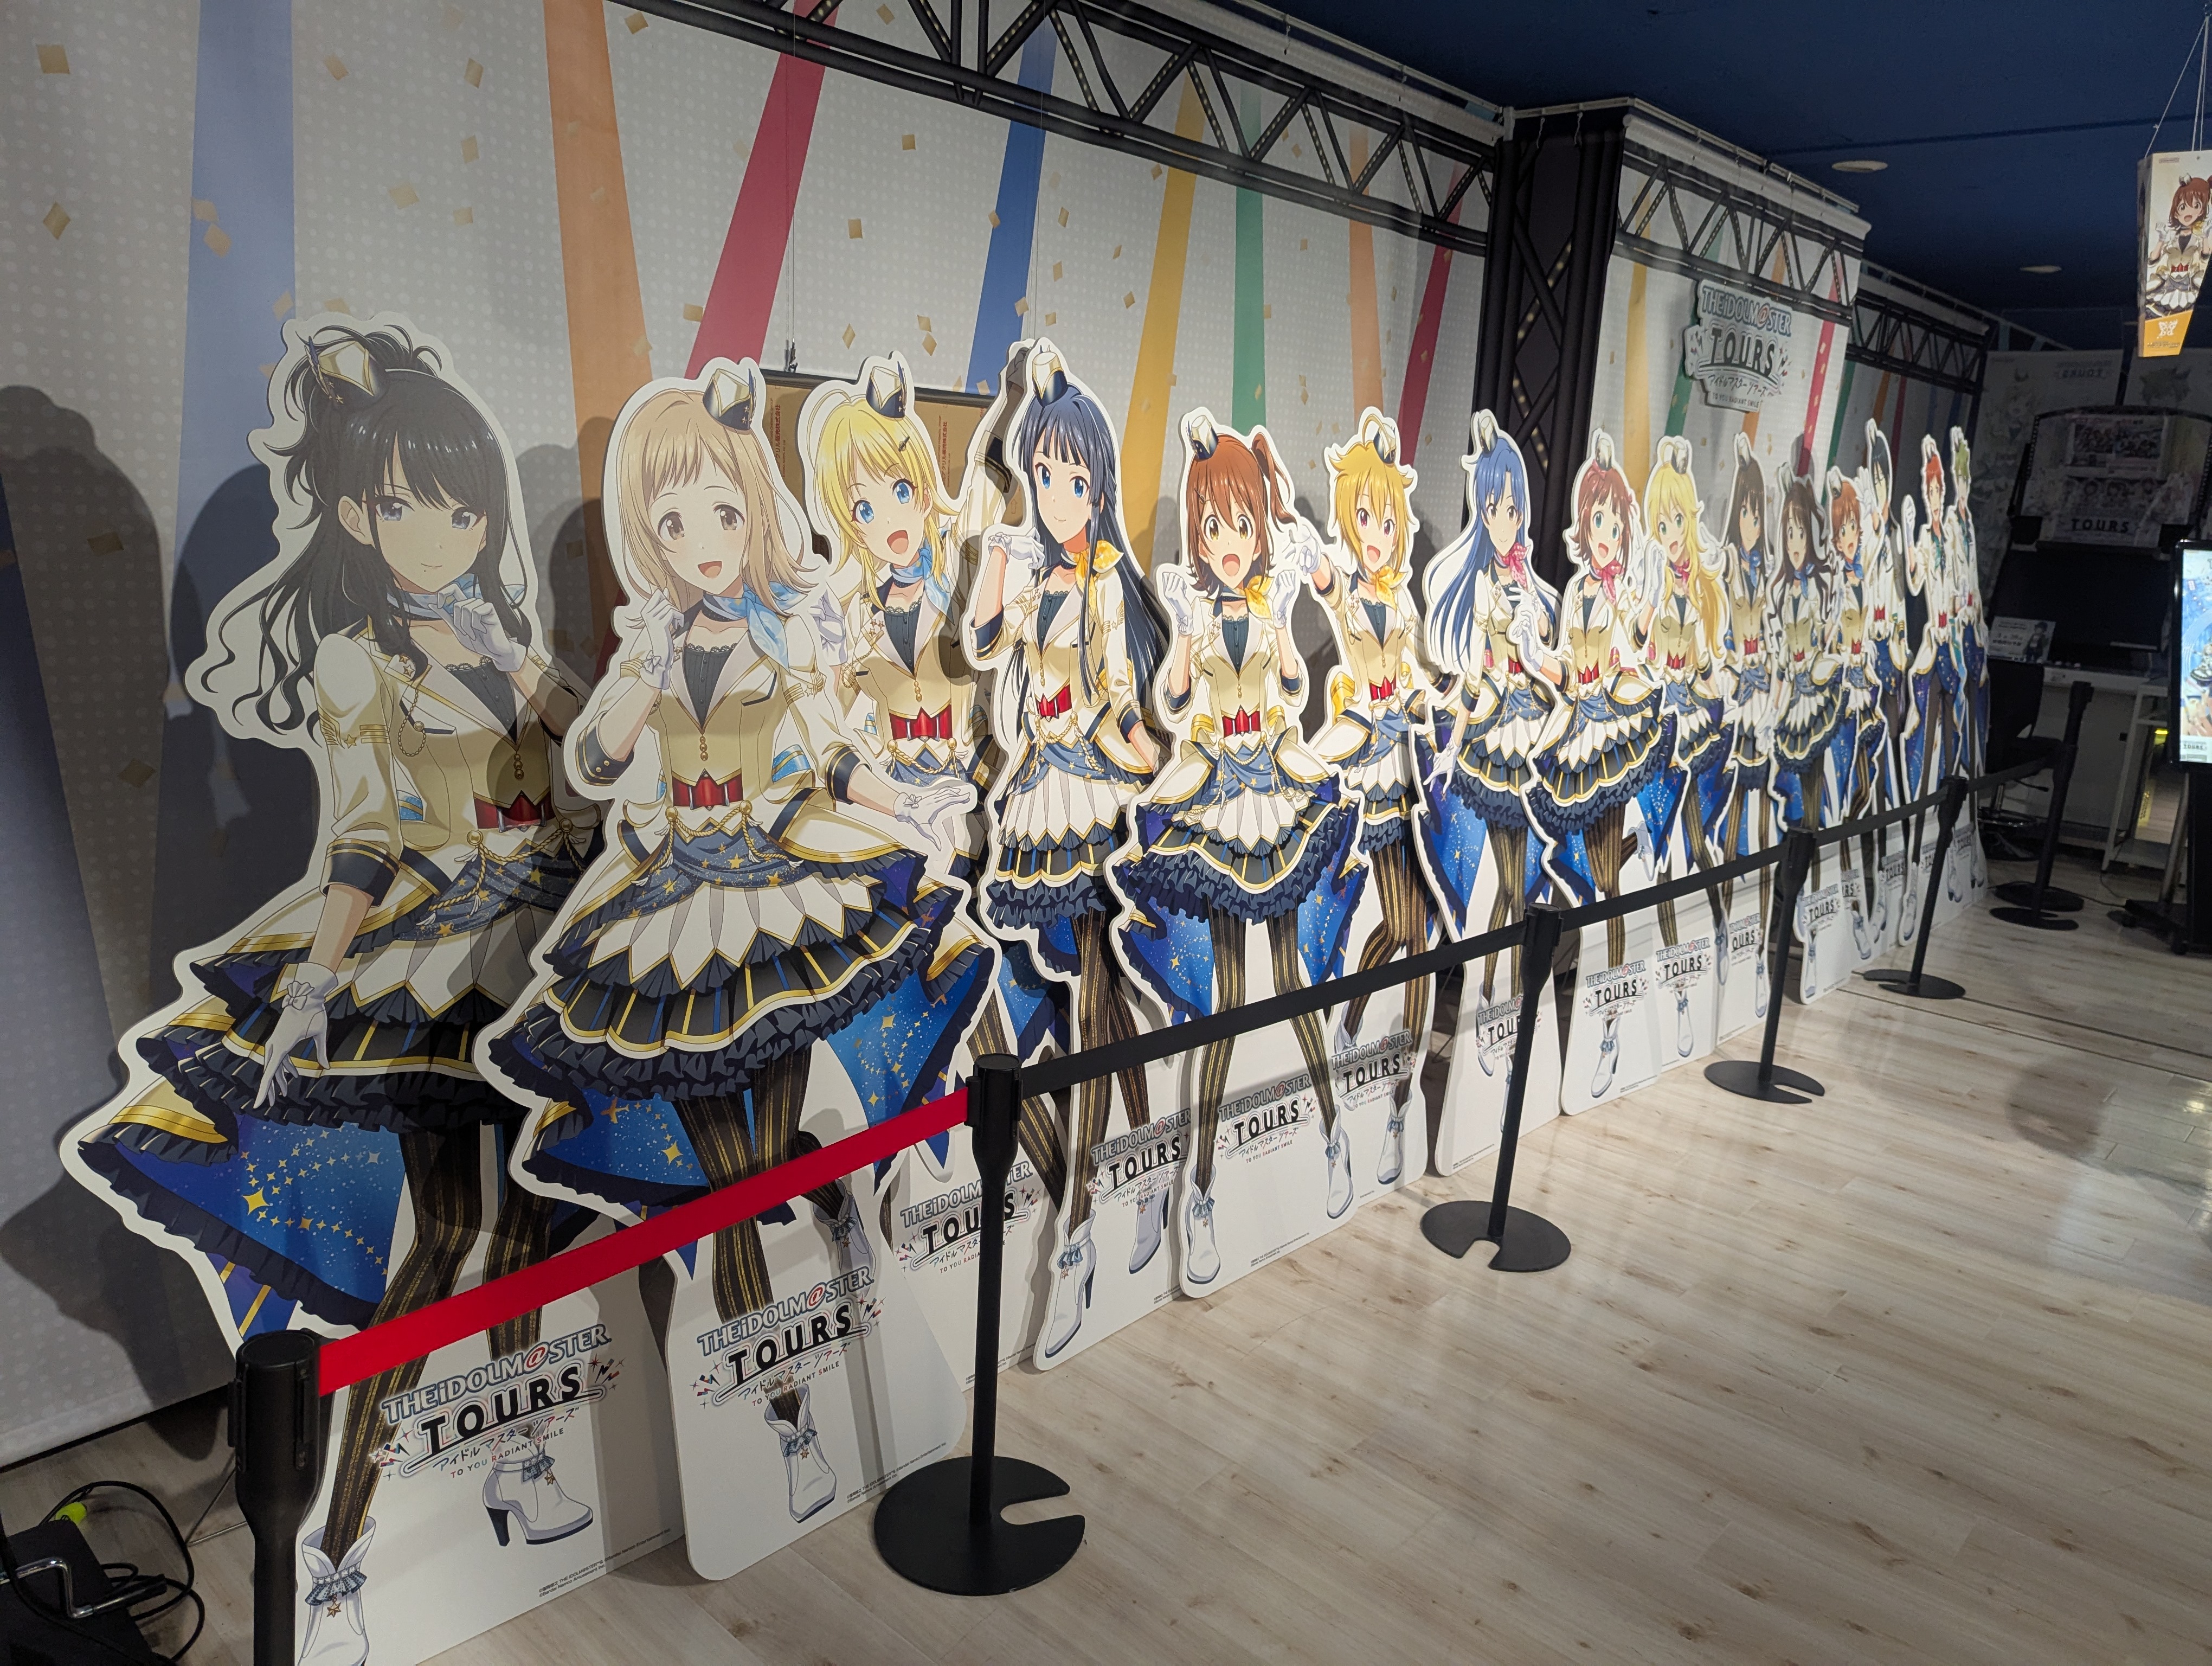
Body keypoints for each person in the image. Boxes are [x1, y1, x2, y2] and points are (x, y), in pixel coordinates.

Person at [71, 322, 595, 1661]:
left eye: (464, 508)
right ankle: (342, 1548)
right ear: (359, 513)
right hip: (439, 962)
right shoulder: (362, 658)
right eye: (414, 506)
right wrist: (312, 982)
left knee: (533, 1225)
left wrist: (512, 656)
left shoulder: (507, 636)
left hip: (541, 943)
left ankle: (516, 1458)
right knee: (444, 1235)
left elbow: (596, 760)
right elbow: (362, 837)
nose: (448, 533)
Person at [487, 361, 988, 1517]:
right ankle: (793, 1424)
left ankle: (838, 1256)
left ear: (753, 509)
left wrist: (910, 806)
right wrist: (645, 665)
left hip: (776, 903)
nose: (703, 541)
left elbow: (834, 758)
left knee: (763, 1170)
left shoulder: (786, 636)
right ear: (648, 537)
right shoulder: (653, 647)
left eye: (720, 511)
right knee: (729, 1190)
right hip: (672, 921)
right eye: (673, 522)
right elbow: (596, 760)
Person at [799, 349, 1069, 1208]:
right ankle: (925, 1172)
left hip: (980, 814)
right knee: (920, 1015)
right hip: (901, 831)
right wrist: (895, 800)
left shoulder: (960, 559)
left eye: (900, 491)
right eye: (863, 507)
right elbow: (821, 737)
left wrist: (1020, 392)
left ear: (922, 484)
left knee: (1003, 1016)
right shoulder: (842, 608)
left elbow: (995, 475)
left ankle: (1052, 1191)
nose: (890, 519)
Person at [1113, 412, 1360, 1278]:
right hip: (1219, 792)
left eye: (1240, 524)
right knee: (1223, 1002)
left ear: (1259, 529)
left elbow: (1293, 683)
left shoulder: (1268, 598)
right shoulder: (1192, 606)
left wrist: (1282, 616)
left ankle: (1332, 1133)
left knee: (1291, 983)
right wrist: (1186, 637)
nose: (1226, 542)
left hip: (1274, 786)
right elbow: (1177, 704)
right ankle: (1202, 1193)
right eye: (1212, 525)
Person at [968, 340, 1171, 1361]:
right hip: (1034, 796)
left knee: (1098, 1002)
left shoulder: (1106, 583)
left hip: (1095, 791)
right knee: (1095, 1005)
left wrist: (1158, 764)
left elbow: (1124, 702)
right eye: (1043, 474)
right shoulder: (1028, 564)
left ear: (1098, 485)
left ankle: (1083, 1224)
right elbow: (980, 643)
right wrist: (999, 566)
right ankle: (1143, 1171)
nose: (1055, 494)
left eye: (1073, 478)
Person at [1526, 429, 1668, 1097]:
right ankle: (1594, 1006)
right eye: (1596, 521)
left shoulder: (1622, 591)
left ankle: (1608, 1023)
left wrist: (1650, 601)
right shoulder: (1579, 590)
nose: (1605, 533)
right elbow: (1567, 665)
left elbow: (1638, 637)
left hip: (1612, 729)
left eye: (1613, 522)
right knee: (1589, 873)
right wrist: (1536, 657)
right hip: (1577, 731)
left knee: (1605, 882)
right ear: (1583, 526)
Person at [1308, 411, 1443, 1079]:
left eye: (1388, 523)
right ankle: (1357, 1032)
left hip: (1408, 765)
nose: (1378, 536)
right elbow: (1325, 583)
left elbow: (1415, 673)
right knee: (1406, 926)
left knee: (1413, 931)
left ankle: (1375, 1046)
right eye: (1366, 518)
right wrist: (1305, 547)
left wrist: (1439, 698)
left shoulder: (1403, 601)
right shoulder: (1349, 592)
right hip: (1367, 766)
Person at [1420, 410, 1558, 1021]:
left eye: (1513, 509)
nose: (1505, 521)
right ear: (1482, 511)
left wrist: (1537, 641)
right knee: (1505, 881)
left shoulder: (1531, 582)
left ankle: (1499, 996)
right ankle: (1486, 994)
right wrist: (1453, 744)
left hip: (1533, 727)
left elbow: (1548, 654)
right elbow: (1474, 678)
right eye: (1495, 509)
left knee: (1521, 881)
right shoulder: (1480, 585)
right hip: (1496, 736)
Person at [1640, 436, 1735, 1048]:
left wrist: (1717, 688)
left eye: (1677, 521)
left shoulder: (1694, 593)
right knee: (1660, 861)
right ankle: (1675, 992)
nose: (1671, 534)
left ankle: (1720, 933)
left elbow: (1702, 668)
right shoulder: (1650, 591)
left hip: (1690, 729)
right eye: (1662, 524)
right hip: (1655, 735)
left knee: (1697, 846)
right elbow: (1636, 655)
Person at [1720, 433, 1780, 1016]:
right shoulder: (1725, 572)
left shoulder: (1769, 574)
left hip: (1762, 712)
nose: (1751, 522)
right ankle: (1723, 942)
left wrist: (1772, 693)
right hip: (1732, 715)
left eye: (1757, 513)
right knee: (1728, 835)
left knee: (1762, 838)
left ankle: (1757, 949)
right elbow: (1718, 644)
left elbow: (1777, 644)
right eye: (1745, 511)